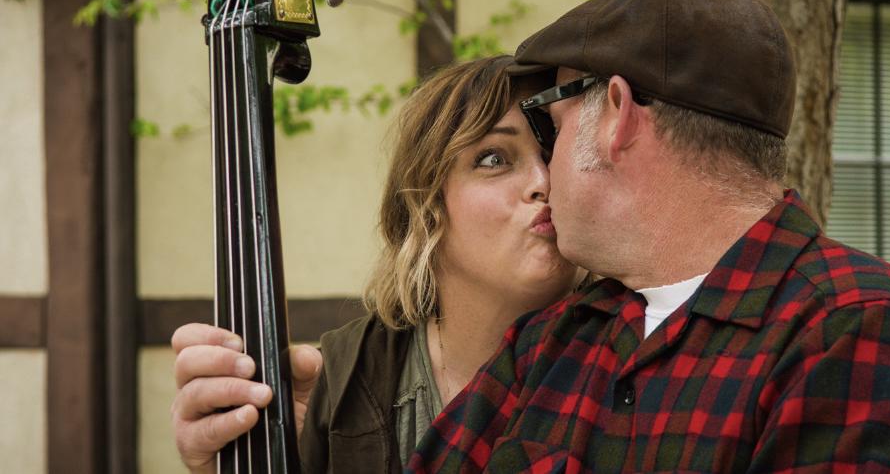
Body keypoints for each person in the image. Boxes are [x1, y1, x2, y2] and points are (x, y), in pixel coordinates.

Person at [408, 0, 890, 472]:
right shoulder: (553, 340)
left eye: (551, 128)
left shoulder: (852, 328)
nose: (545, 173)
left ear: (616, 115)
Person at [170, 56, 585, 473]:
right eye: (494, 159)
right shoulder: (340, 382)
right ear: (426, 210)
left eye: (553, 151)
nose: (543, 181)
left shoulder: (617, 357)